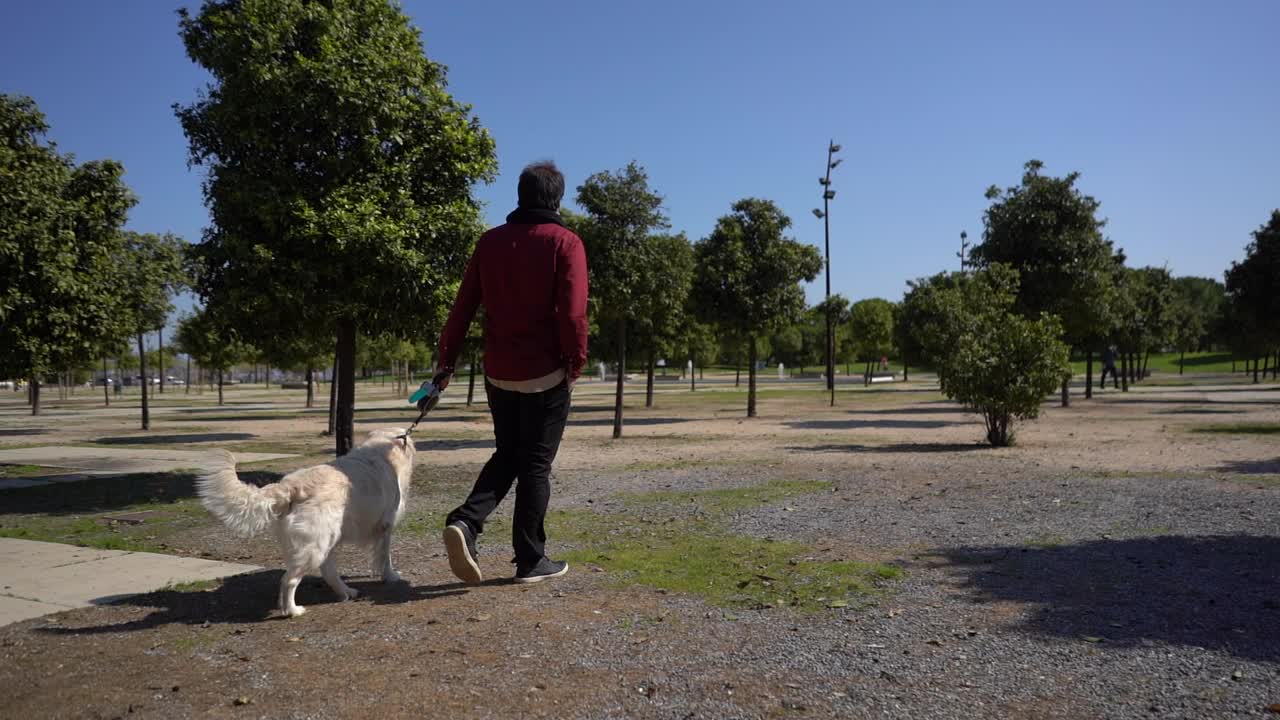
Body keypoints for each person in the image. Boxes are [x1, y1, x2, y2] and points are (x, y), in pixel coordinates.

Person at [426, 160, 588, 585]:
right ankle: (531, 559)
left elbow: (462, 308)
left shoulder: (489, 243)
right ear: (557, 198)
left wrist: (446, 363)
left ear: (519, 196)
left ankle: (466, 522)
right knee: (535, 463)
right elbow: (573, 315)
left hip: (498, 372)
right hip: (546, 373)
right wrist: (576, 361)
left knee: (509, 454)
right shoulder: (566, 243)